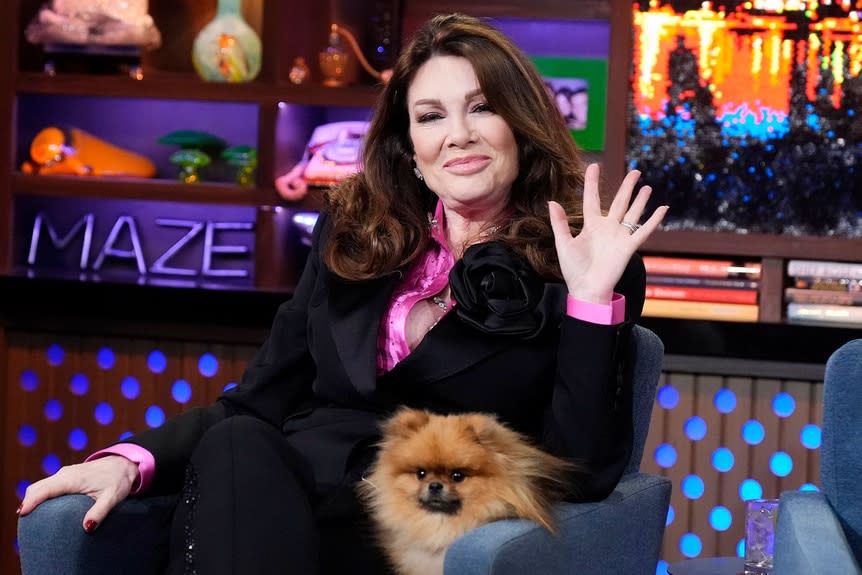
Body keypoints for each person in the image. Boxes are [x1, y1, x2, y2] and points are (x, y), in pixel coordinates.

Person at [18, 12, 667, 575]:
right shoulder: (355, 239)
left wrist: (588, 299)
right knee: (239, 444)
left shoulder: (585, 262)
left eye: (482, 107)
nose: (458, 134)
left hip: (427, 534)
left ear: (519, 126)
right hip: (289, 516)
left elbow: (581, 469)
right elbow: (255, 402)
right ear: (410, 146)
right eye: (431, 115)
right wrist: (133, 461)